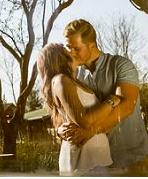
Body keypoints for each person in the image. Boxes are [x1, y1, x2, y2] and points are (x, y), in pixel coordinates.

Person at [60, 19, 148, 175]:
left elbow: (126, 106)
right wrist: (59, 129)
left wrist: (92, 131)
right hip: (97, 165)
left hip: (133, 160)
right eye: (69, 48)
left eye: (76, 48)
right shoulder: (73, 76)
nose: (72, 53)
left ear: (92, 45)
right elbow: (63, 111)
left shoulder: (121, 65)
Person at [37, 43, 122, 175]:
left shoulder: (75, 81)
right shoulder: (61, 80)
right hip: (82, 161)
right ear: (60, 58)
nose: (73, 51)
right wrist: (111, 101)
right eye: (68, 50)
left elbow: (100, 119)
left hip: (97, 158)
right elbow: (85, 121)